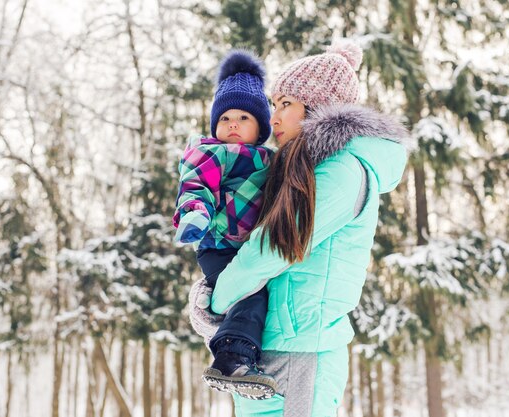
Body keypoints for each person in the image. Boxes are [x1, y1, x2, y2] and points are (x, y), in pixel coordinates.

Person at [190, 39, 413, 416]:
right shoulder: (294, 170)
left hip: (302, 352)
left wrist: (217, 301)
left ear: (317, 107)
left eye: (285, 104)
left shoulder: (342, 172)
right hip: (262, 351)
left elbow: (272, 247)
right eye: (274, 105)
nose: (272, 117)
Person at [173, 50, 278, 399]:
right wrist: (196, 214)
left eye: (244, 117)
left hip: (252, 245)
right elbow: (195, 186)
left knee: (256, 292)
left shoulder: (270, 160)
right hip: (217, 244)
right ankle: (232, 359)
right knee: (250, 293)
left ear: (261, 126)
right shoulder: (209, 153)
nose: (233, 124)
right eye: (226, 117)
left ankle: (234, 351)